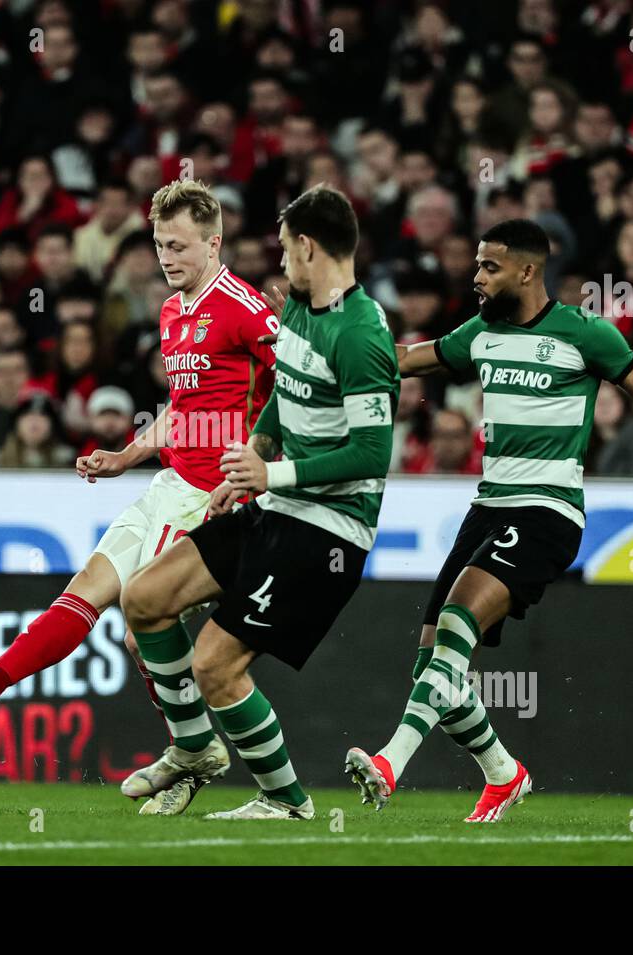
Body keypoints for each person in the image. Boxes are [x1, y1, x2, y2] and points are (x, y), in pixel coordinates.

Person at [344, 218, 633, 822]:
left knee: (457, 622)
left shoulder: (586, 334)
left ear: (528, 271)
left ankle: (389, 763)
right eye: (478, 264)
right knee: (432, 659)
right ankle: (504, 774)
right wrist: (320, 338)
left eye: (490, 267)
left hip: (548, 512)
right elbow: (404, 360)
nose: (477, 277)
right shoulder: (481, 331)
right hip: (487, 509)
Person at [0, 179, 278, 815]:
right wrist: (128, 453)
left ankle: (197, 751)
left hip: (215, 495)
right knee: (85, 591)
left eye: (179, 245)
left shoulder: (245, 307)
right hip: (167, 485)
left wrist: (259, 463)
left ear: (214, 243)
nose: (166, 257)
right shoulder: (172, 312)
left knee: (139, 622)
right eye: (159, 244)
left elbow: (294, 386)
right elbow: (184, 410)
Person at [117, 184, 399, 820]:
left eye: (283, 248)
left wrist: (271, 473)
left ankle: (286, 801)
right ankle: (192, 750)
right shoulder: (300, 308)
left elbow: (372, 457)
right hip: (271, 506)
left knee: (214, 664)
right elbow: (282, 396)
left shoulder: (360, 334)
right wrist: (248, 462)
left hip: (327, 531)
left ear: (307, 246)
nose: (279, 261)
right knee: (144, 600)